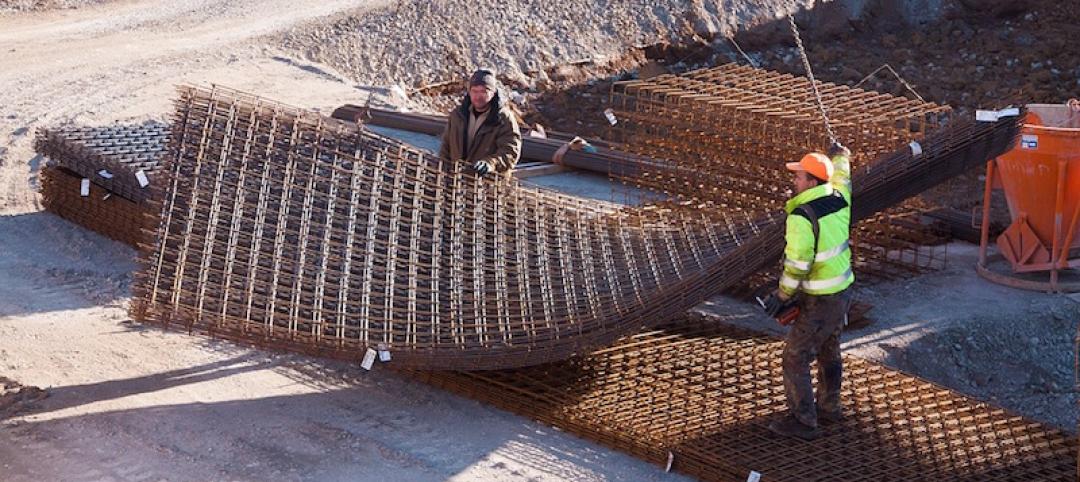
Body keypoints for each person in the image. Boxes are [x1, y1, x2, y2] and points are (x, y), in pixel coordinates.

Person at [762, 142, 854, 440]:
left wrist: (782, 296)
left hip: (820, 299)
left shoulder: (802, 216)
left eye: (799, 176)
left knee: (795, 356)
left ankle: (803, 421)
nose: (794, 181)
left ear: (812, 182)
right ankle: (830, 407)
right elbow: (842, 176)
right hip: (841, 292)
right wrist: (841, 156)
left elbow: (798, 264)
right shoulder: (840, 197)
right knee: (829, 349)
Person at [437, 69, 522, 176]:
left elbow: (510, 152)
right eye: (475, 91)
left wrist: (490, 164)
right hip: (457, 180)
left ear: (493, 93)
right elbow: (446, 146)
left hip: (487, 184)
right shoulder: (458, 115)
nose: (478, 96)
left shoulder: (503, 118)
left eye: (484, 92)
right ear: (469, 92)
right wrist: (443, 171)